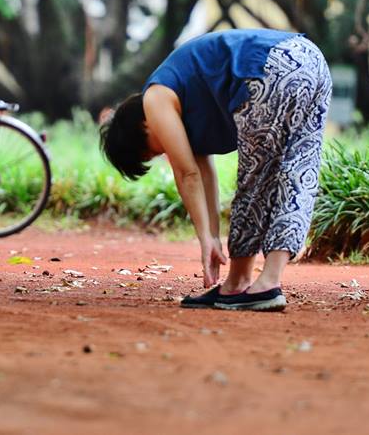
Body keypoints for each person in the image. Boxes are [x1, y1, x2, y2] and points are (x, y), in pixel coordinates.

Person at [99, 29, 332, 311]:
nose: (164, 153)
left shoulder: (155, 99)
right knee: (299, 173)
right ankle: (268, 281)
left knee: (256, 177)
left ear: (143, 126)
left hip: (270, 68)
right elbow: (203, 171)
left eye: (151, 150)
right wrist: (212, 235)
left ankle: (239, 282)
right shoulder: (186, 105)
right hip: (311, 60)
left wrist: (205, 239)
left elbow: (188, 174)